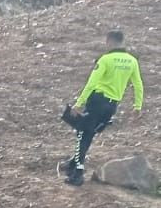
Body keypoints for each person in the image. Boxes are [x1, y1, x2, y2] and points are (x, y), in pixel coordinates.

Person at [61, 30, 144, 185]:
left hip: (97, 102)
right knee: (90, 132)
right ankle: (73, 162)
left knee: (82, 133)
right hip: (112, 106)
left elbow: (91, 83)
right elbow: (138, 85)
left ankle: (77, 174)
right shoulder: (132, 61)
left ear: (109, 41)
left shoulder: (105, 59)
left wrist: (79, 103)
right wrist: (137, 106)